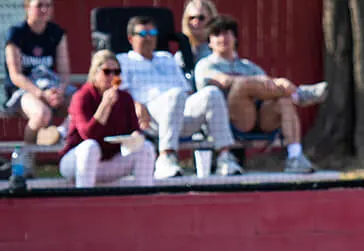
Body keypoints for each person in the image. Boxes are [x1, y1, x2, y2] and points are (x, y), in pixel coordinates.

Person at [195, 15, 327, 174]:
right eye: (217, 34)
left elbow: (267, 85)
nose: (223, 38)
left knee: (283, 100)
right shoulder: (205, 65)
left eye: (227, 33)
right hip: (232, 121)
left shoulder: (248, 66)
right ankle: (298, 95)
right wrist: (266, 82)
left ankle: (295, 156)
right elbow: (223, 81)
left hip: (261, 118)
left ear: (235, 38)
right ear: (209, 41)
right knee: (242, 84)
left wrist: (279, 83)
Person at [118, 15, 242, 178]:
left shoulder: (167, 58)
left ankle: (225, 157)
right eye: (142, 34)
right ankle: (166, 158)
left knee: (212, 93)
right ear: (130, 38)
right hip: (149, 116)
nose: (149, 37)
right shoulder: (122, 60)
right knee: (174, 95)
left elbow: (186, 90)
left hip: (180, 112)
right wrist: (136, 105)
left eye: (153, 32)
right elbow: (121, 91)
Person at [58, 50, 155, 188]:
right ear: (95, 74)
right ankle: (85, 202)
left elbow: (134, 130)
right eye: (107, 72)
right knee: (91, 147)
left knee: (146, 148)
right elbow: (88, 134)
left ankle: (145, 203)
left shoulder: (125, 98)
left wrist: (135, 137)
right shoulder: (82, 97)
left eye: (117, 72)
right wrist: (105, 105)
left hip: (108, 163)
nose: (113, 77)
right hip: (75, 162)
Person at [3, 0, 72, 165]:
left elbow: (64, 71)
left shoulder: (57, 33)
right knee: (41, 114)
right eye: (39, 5)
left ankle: (61, 138)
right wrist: (41, 94)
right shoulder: (16, 33)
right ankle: (26, 162)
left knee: (80, 105)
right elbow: (16, 76)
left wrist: (60, 91)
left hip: (52, 88)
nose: (44, 9)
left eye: (48, 5)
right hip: (23, 91)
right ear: (27, 8)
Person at [177, 0, 218, 69]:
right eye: (191, 18)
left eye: (201, 18)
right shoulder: (179, 56)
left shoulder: (220, 51)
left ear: (212, 21)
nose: (195, 22)